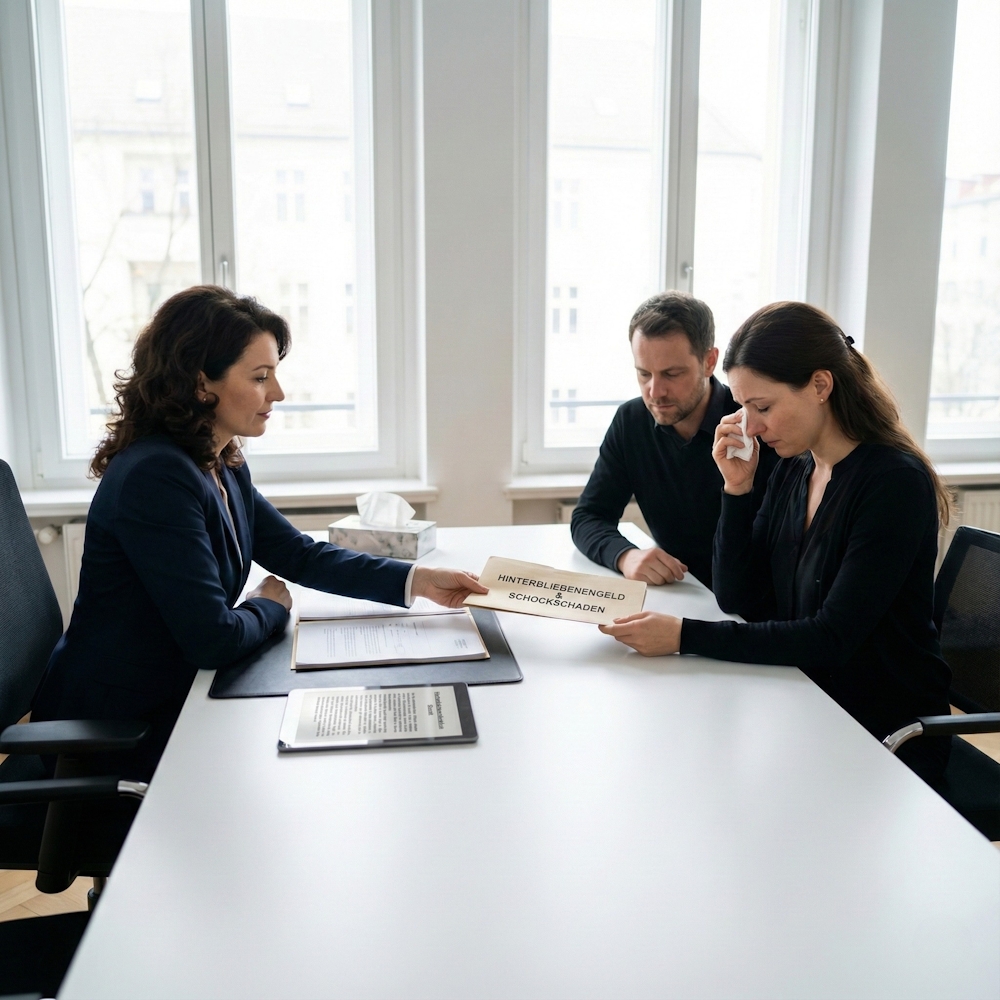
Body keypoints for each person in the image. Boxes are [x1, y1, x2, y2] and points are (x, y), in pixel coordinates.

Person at [31, 286, 487, 781]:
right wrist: (270, 604)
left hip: (182, 694)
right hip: (120, 728)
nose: (278, 393)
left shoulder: (219, 457)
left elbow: (297, 554)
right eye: (260, 377)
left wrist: (417, 581)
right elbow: (213, 640)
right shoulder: (155, 477)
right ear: (201, 381)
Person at [599, 301, 953, 784]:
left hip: (882, 732)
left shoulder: (892, 483)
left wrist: (684, 635)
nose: (752, 427)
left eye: (762, 407)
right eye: (744, 408)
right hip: (806, 699)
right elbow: (741, 598)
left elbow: (831, 638)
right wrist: (737, 490)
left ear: (821, 386)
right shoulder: (795, 466)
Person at [571, 291, 778, 590]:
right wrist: (626, 556)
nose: (655, 391)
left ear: (709, 362)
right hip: (676, 593)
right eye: (644, 374)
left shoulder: (757, 423)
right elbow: (588, 516)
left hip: (749, 602)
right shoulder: (631, 421)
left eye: (672, 373)